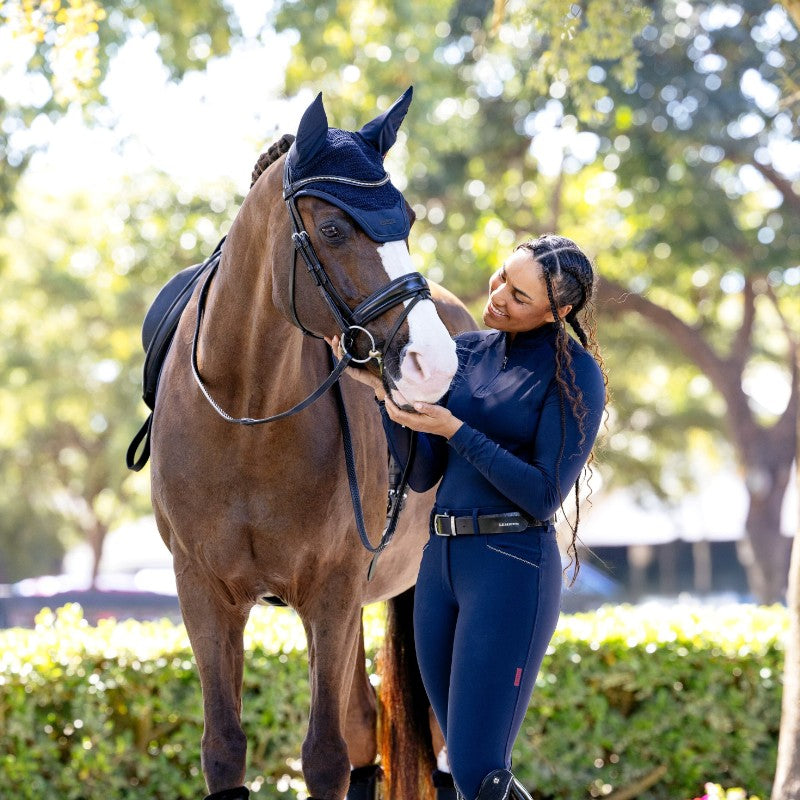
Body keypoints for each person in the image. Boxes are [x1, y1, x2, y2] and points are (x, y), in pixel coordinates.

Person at [330, 233, 607, 800]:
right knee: (458, 756)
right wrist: (387, 399)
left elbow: (543, 493)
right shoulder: (471, 352)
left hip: (509, 570)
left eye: (521, 295)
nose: (499, 296)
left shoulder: (575, 375)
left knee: (480, 768)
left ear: (560, 311)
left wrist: (455, 428)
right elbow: (427, 470)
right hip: (440, 566)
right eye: (503, 277)